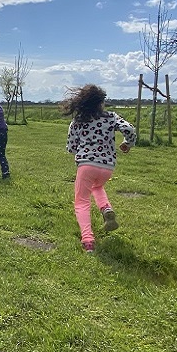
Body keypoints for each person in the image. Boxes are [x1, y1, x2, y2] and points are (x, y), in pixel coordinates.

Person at [61, 84, 136, 253]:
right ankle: (106, 209)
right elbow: (129, 129)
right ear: (101, 103)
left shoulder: (78, 121)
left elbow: (71, 147)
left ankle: (88, 240)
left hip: (87, 165)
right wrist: (127, 143)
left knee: (81, 202)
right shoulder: (111, 117)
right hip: (107, 167)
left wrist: (79, 150)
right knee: (98, 186)